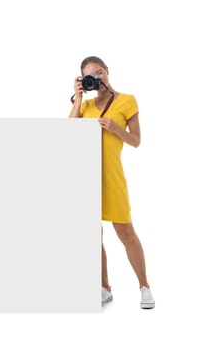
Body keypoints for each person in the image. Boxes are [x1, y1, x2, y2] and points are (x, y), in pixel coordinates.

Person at [69, 56, 155, 309]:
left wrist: (116, 129)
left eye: (99, 72)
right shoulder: (84, 105)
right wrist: (78, 98)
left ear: (107, 72)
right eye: (89, 75)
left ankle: (144, 286)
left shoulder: (127, 100)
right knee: (94, 236)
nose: (96, 77)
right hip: (86, 178)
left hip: (112, 177)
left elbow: (136, 140)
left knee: (126, 234)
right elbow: (68, 132)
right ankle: (104, 288)